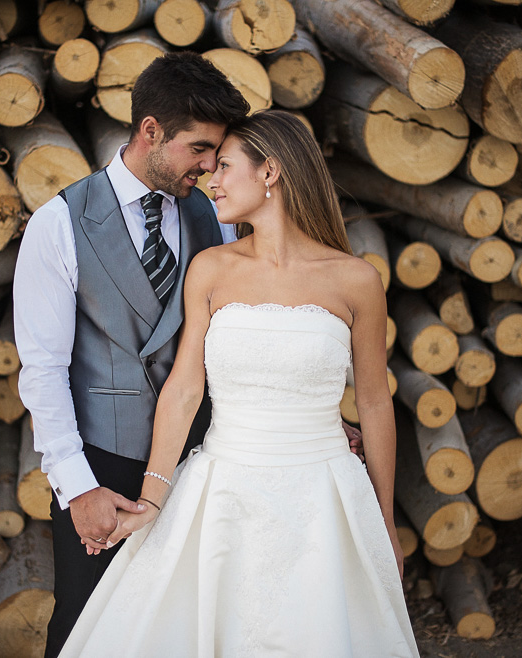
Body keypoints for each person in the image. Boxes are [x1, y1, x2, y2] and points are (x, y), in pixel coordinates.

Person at [58, 110, 418, 657]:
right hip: (223, 490)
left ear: (270, 170)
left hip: (325, 495)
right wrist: (153, 500)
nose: (212, 180)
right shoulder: (210, 269)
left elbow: (373, 401)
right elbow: (184, 389)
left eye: (225, 166)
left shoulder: (357, 280)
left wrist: (384, 522)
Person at [13, 52, 252, 658]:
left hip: (200, 458)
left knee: (186, 625)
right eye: (198, 148)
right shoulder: (59, 222)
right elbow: (41, 369)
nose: (210, 165)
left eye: (216, 152)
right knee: (90, 628)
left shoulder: (214, 214)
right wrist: (76, 486)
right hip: (106, 466)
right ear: (150, 131)